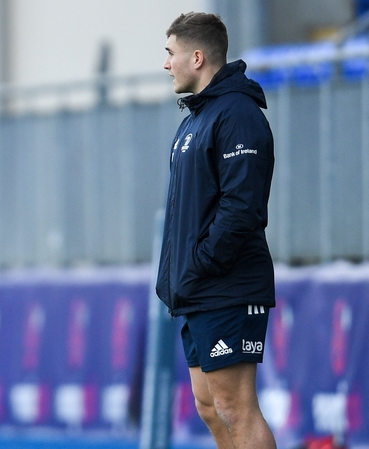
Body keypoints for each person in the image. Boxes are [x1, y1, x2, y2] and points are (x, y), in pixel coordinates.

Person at [155, 12, 277, 449]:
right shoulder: (195, 119)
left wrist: (203, 261)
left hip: (227, 283)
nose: (166, 64)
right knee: (209, 406)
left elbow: (242, 205)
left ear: (197, 57)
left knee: (235, 407)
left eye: (170, 53)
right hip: (199, 287)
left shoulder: (238, 113)